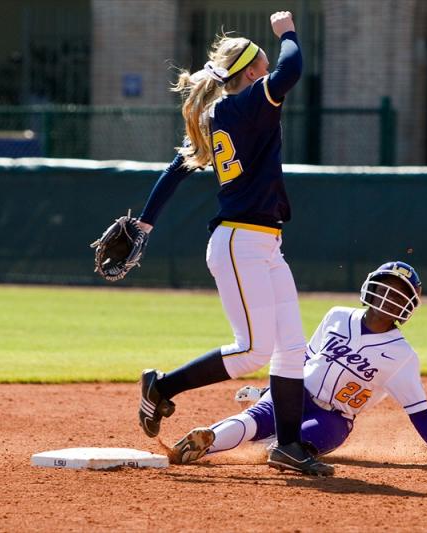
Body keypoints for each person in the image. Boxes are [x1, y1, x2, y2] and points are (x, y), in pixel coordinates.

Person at [133, 12, 333, 476]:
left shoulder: (218, 113)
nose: (268, 72)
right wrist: (287, 33)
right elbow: (294, 68)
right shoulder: (247, 105)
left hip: (261, 242)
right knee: (254, 351)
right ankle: (161, 387)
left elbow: (173, 172)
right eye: (261, 66)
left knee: (291, 350)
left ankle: (288, 445)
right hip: (241, 240)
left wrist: (145, 225)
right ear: (249, 73)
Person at [165, 261, 427, 468]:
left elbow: (419, 411)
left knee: (288, 447)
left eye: (399, 293)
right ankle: (201, 444)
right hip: (296, 393)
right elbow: (304, 359)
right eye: (385, 286)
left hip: (333, 419)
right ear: (370, 287)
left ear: (407, 305)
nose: (388, 296)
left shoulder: (401, 355)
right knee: (251, 419)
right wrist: (270, 389)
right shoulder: (337, 315)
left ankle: (268, 446)